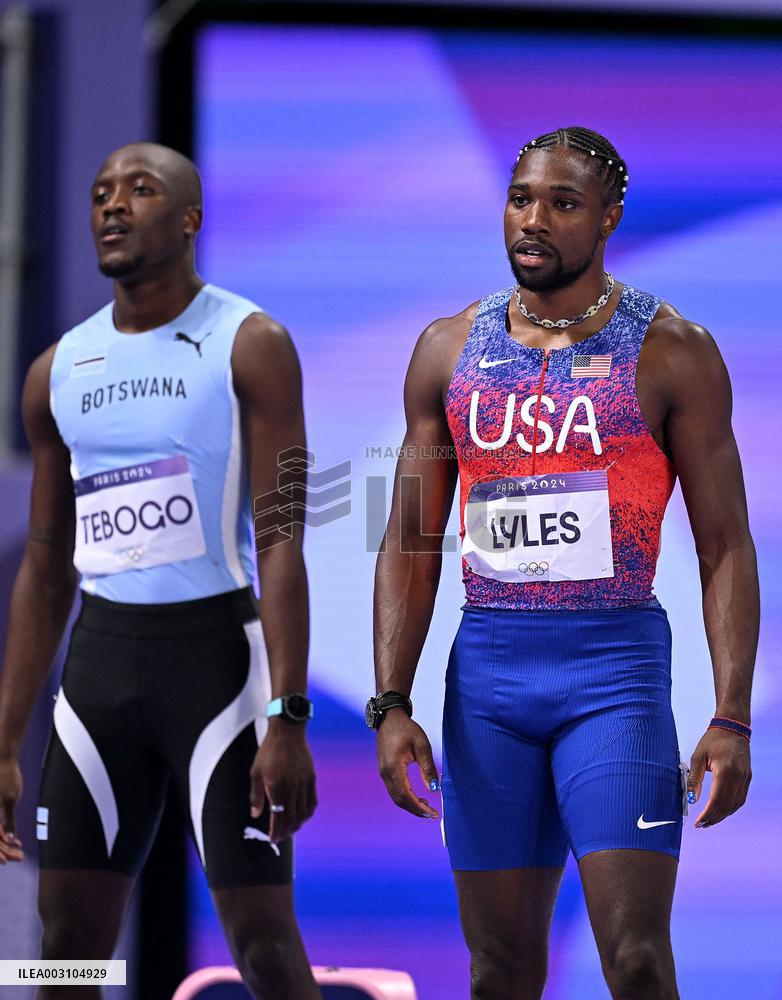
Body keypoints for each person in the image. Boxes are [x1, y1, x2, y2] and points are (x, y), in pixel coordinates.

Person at [370, 126, 757, 999]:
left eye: (563, 203)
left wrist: (731, 715)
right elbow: (409, 535)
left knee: (637, 960)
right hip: (487, 684)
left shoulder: (672, 351)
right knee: (498, 971)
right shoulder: (446, 349)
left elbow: (725, 543)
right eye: (520, 199)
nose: (533, 221)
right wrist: (391, 701)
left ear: (610, 218)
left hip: (613, 677)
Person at [0, 142, 321, 1000]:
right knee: (62, 944)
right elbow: (42, 563)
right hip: (98, 671)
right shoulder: (56, 371)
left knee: (264, 947)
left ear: (189, 219)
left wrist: (288, 716)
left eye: (140, 191)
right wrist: (2, 738)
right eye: (101, 191)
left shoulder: (249, 343)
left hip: (217, 668)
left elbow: (282, 535)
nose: (112, 205)